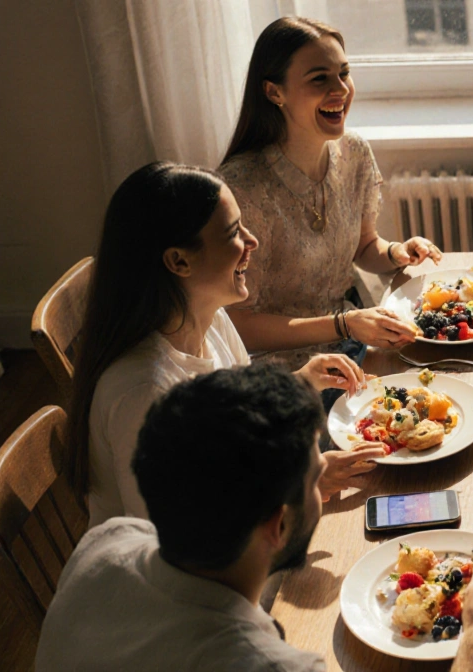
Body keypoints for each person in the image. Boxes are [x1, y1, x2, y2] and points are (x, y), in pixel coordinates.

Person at [38, 366, 473, 672]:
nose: (320, 483)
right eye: (315, 477)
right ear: (278, 524)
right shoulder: (272, 665)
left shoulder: (106, 540)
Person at [69, 162, 385, 529]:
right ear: (179, 261)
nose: (252, 241)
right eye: (234, 232)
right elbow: (174, 542)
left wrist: (299, 382)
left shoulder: (209, 319)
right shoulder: (145, 394)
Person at [219, 16, 440, 374]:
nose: (341, 89)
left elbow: (364, 247)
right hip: (284, 373)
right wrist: (343, 324)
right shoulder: (241, 189)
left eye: (344, 73)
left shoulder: (354, 153)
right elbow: (236, 325)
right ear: (274, 92)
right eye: (319, 78)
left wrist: (396, 252)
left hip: (352, 342)